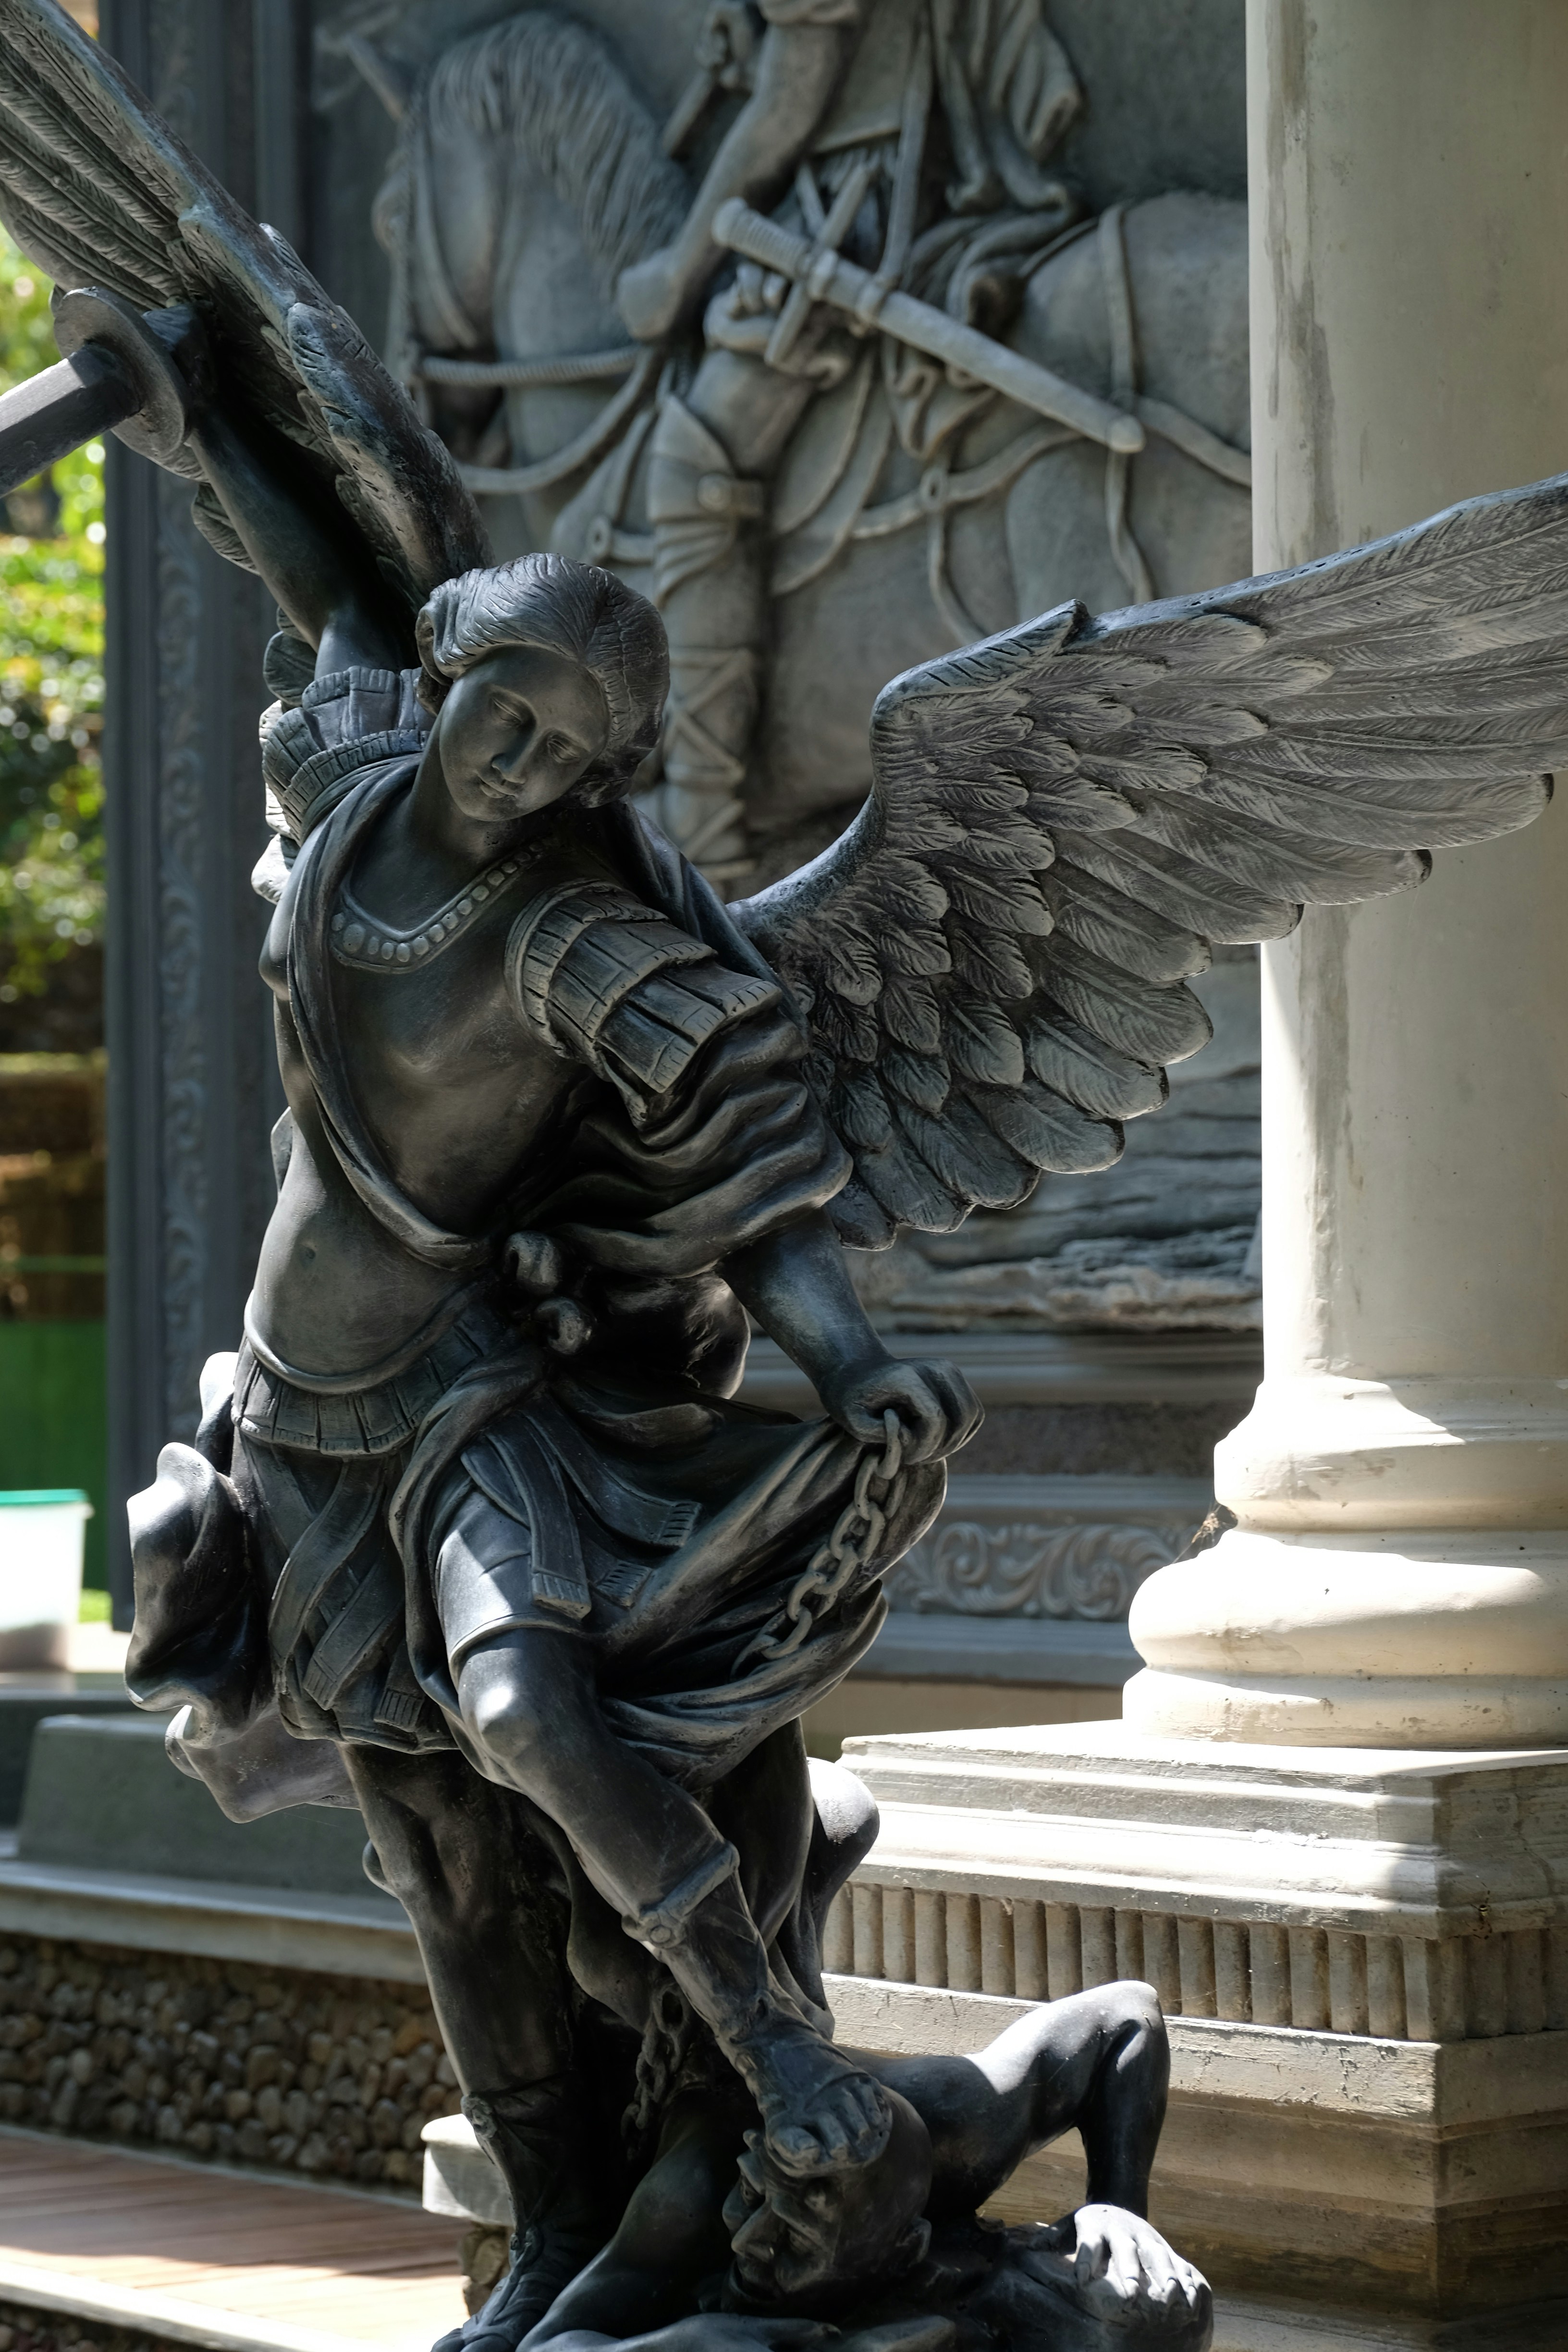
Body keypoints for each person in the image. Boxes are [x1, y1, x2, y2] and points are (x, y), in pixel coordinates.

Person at [124, 386, 979, 2325]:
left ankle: (780, 2060)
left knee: (522, 1714)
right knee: (437, 1870)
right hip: (286, 1437)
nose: (524, 764)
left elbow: (750, 1160)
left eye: (574, 753)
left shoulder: (570, 938)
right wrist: (192, 379)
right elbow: (321, 561)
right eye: (507, 714)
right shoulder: (347, 797)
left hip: (465, 1415)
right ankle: (547, 2243)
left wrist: (843, 1357)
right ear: (449, 677)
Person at [613, 0, 1083, 883]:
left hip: (856, 206)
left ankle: (706, 828)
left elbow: (793, 102)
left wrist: (676, 276)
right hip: (884, 172)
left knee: (696, 461)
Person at [516, 1977, 1212, 2352]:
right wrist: (1120, 2204)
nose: (761, 2227)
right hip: (634, 2022)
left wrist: (1118, 2216)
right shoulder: (963, 2128)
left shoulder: (930, 2304)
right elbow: (1127, 2011)